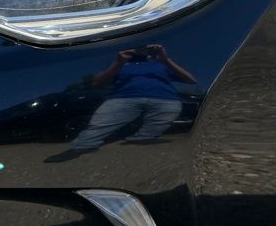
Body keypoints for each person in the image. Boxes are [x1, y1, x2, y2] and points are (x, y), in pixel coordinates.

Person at [45, 44, 196, 161]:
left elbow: (190, 80)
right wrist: (118, 62)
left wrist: (165, 59)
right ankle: (80, 147)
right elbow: (96, 82)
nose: (140, 52)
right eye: (137, 49)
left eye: (145, 49)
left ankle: (141, 140)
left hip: (165, 99)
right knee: (102, 123)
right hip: (123, 98)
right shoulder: (122, 65)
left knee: (160, 121)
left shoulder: (161, 65)